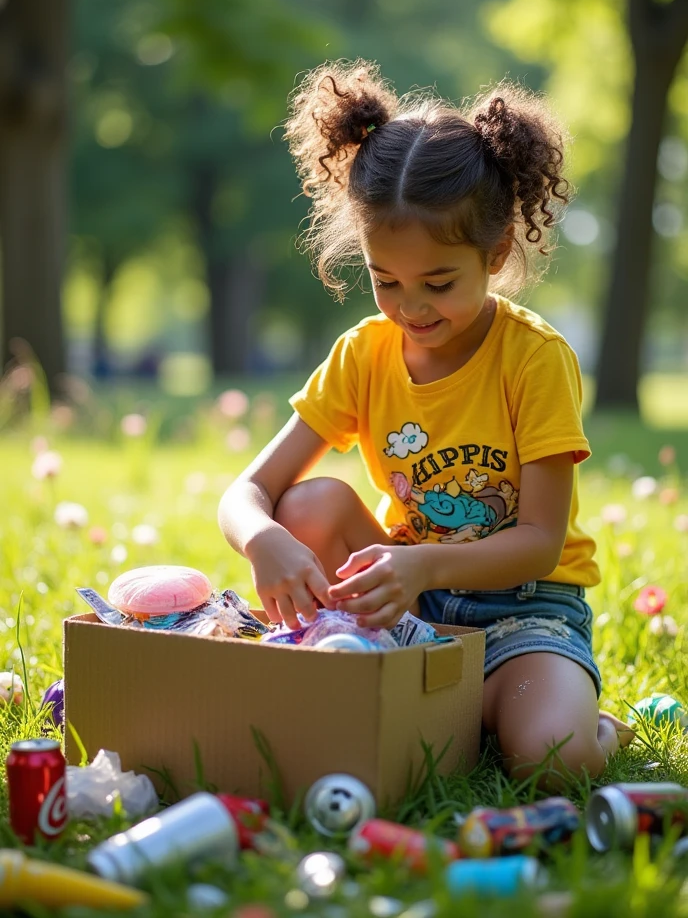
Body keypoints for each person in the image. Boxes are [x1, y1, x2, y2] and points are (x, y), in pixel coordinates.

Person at [218, 59, 633, 784]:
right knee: (306, 506)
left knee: (550, 762)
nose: (410, 308)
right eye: (386, 281)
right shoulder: (365, 353)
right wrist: (264, 542)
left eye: (439, 284)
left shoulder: (534, 359)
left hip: (524, 615)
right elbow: (246, 491)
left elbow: (538, 543)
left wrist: (425, 565)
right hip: (407, 607)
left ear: (495, 253)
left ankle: (586, 726)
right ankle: (426, 695)